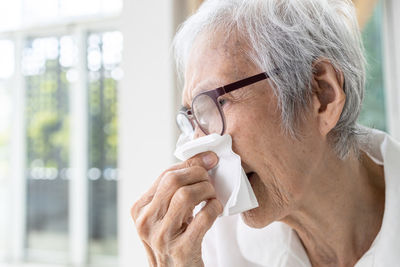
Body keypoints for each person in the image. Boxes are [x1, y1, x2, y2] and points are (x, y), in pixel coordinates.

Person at [131, 0, 400, 266]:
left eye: (220, 103)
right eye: (194, 117)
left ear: (322, 94)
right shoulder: (212, 240)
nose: (200, 146)